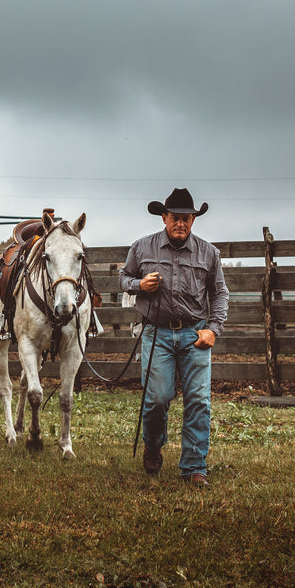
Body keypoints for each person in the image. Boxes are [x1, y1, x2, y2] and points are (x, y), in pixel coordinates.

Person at [120, 188, 229, 487]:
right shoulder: (142, 248)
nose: (180, 223)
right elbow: (123, 279)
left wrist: (213, 329)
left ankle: (194, 468)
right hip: (158, 333)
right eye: (175, 218)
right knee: (156, 399)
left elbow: (219, 294)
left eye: (187, 218)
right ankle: (153, 445)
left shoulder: (209, 253)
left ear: (193, 220)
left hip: (195, 333)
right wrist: (140, 285)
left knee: (198, 400)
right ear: (164, 217)